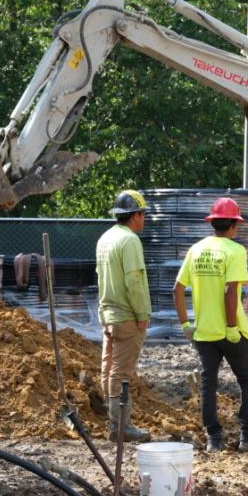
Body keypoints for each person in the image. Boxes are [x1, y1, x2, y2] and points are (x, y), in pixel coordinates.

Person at [173, 197, 248, 453]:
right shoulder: (235, 251)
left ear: (213, 223)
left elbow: (177, 289)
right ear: (233, 225)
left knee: (208, 383)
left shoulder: (196, 250)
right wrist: (231, 327)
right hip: (231, 331)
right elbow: (231, 292)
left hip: (204, 331)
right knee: (247, 380)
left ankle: (214, 439)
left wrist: (185, 324)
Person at [96, 189, 152, 442]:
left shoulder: (105, 238)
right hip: (127, 316)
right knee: (121, 373)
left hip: (109, 314)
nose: (144, 219)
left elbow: (101, 277)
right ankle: (121, 427)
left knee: (109, 368)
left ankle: (114, 423)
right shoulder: (129, 240)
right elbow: (134, 281)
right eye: (143, 214)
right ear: (135, 215)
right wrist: (142, 314)